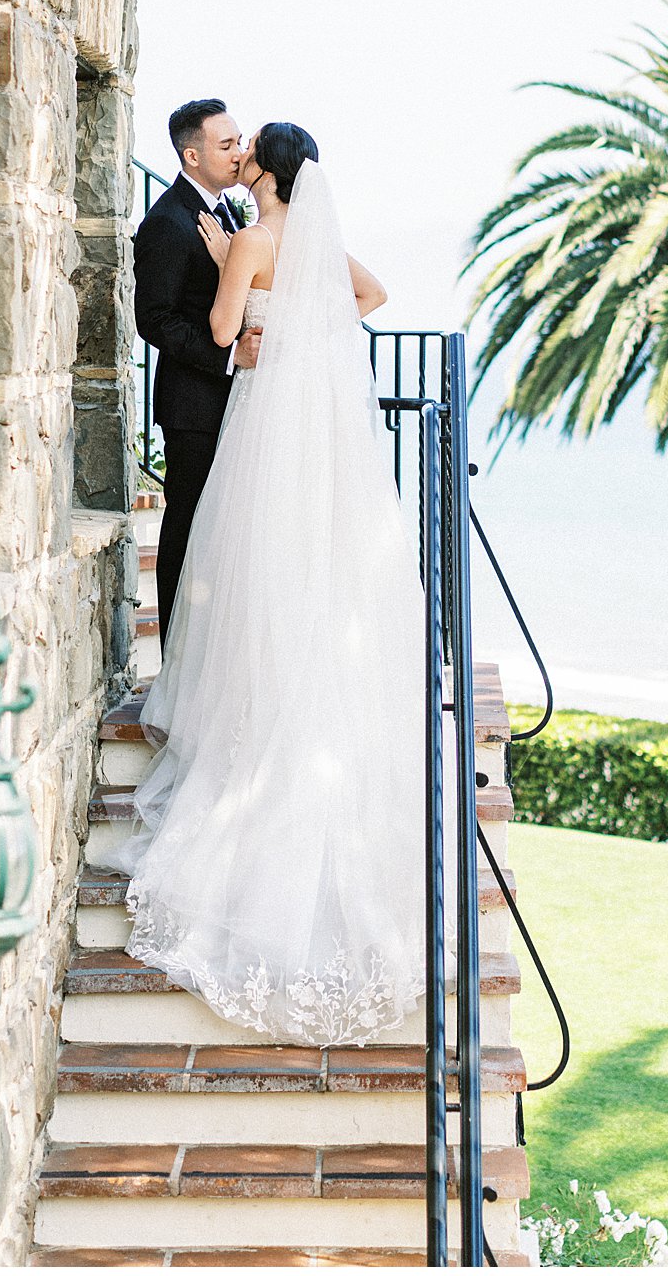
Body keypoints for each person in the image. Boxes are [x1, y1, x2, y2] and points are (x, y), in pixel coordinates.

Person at [116, 123, 439, 1047]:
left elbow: (221, 330)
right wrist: (309, 320)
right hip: (319, 425)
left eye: (247, 147)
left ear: (263, 169)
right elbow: (372, 294)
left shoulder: (253, 239)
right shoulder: (317, 242)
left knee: (253, 565)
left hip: (265, 422)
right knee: (316, 563)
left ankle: (252, 713)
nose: (238, 152)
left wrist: (235, 271)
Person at [132, 100, 263, 646]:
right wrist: (228, 357)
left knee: (224, 530)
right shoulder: (165, 221)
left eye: (239, 142)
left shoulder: (229, 213)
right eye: (226, 145)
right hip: (193, 403)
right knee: (186, 527)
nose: (239, 154)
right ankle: (174, 656)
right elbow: (153, 320)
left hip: (233, 397)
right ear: (192, 154)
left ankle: (212, 650)